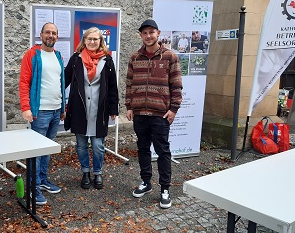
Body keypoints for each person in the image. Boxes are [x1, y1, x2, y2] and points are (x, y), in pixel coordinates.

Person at [125, 19, 183, 209]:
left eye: (151, 32)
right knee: (142, 148)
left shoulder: (169, 57)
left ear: (158, 33)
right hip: (140, 112)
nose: (148, 36)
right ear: (141, 36)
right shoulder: (134, 57)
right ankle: (146, 182)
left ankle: (165, 189)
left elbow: (176, 85)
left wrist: (173, 109)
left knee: (162, 151)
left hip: (160, 114)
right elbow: (129, 84)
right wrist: (129, 106)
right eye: (144, 33)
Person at [64, 27, 119, 190]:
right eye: (90, 39)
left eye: (96, 39)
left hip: (99, 110)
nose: (93, 42)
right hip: (79, 109)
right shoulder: (76, 59)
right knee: (81, 145)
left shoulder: (107, 61)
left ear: (100, 41)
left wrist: (114, 109)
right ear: (84, 41)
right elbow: (64, 81)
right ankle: (85, 172)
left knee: (98, 146)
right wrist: (59, 103)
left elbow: (112, 87)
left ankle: (98, 172)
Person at [19, 22, 65, 205]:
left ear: (57, 37)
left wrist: (62, 108)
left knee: (47, 149)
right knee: (36, 152)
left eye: (54, 33)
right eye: (48, 32)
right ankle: (33, 186)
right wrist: (26, 108)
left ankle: (43, 180)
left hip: (55, 110)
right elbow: (24, 82)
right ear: (41, 35)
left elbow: (60, 83)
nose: (51, 35)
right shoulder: (32, 54)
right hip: (40, 112)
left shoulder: (58, 56)